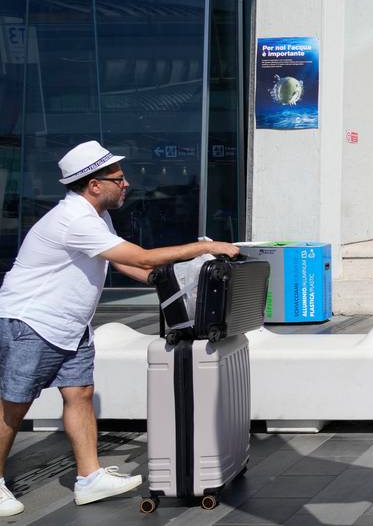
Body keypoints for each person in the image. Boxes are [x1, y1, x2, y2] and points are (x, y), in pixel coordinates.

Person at [0, 141, 240, 516]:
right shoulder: (74, 220)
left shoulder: (96, 217)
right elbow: (141, 256)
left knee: (79, 393)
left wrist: (169, 280)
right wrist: (199, 248)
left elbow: (128, 264)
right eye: (118, 178)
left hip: (70, 322)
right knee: (13, 406)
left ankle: (89, 478)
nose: (126, 184)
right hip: (33, 321)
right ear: (94, 185)